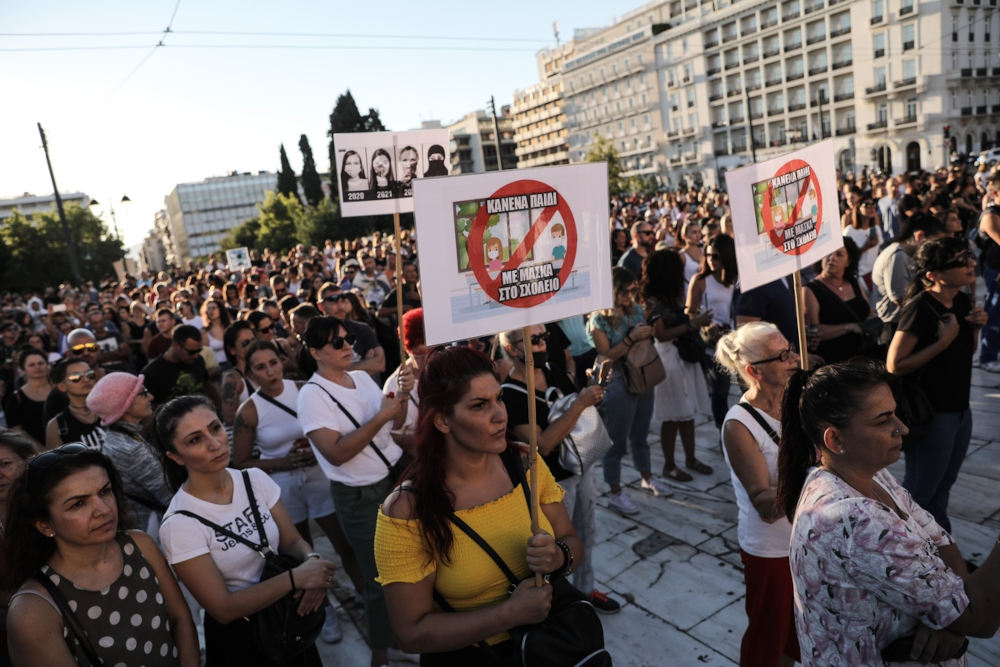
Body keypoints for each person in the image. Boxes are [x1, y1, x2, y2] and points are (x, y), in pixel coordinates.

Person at [776, 358, 1000, 665]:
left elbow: (940, 540)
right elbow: (982, 618)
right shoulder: (854, 520)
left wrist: (951, 615)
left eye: (894, 413)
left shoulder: (869, 474)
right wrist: (959, 613)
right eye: (883, 421)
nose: (902, 428)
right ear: (835, 439)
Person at [374, 346, 583, 661]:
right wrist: (508, 614)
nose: (500, 414)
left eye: (498, 398)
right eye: (479, 405)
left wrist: (557, 557)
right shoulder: (406, 510)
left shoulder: (526, 462)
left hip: (549, 648)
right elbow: (411, 634)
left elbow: (572, 542)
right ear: (443, 421)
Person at [156, 396, 336, 667]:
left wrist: (311, 564)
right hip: (241, 641)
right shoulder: (179, 524)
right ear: (175, 456)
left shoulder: (254, 480)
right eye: (195, 440)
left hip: (286, 621)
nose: (214, 444)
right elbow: (223, 608)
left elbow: (292, 540)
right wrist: (295, 578)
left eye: (215, 428)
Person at [5, 444, 199, 666]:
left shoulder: (140, 545)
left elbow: (181, 619)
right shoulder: (33, 611)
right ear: (44, 525)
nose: (103, 510)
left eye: (105, 491)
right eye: (78, 504)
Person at [296, 316, 413, 667]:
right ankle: (381, 654)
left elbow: (394, 420)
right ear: (315, 352)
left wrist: (402, 395)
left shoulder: (362, 378)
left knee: (412, 564)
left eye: (348, 340)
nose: (349, 347)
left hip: (395, 477)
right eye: (338, 343)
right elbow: (336, 452)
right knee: (379, 580)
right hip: (360, 496)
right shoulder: (312, 395)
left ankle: (405, 633)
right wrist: (381, 417)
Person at [231, 341, 364, 643]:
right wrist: (282, 461)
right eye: (260, 367)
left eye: (273, 363)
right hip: (283, 490)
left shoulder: (306, 389)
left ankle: (365, 595)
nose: (270, 372)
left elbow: (335, 429)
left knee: (345, 544)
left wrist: (320, 448)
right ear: (250, 373)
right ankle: (324, 610)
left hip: (320, 479)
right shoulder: (249, 410)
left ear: (282, 362)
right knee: (302, 553)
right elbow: (240, 462)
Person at [497, 326, 619, 613]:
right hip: (551, 482)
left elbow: (579, 412)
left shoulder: (554, 371)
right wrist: (580, 402)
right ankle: (560, 600)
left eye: (544, 338)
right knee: (555, 545)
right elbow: (543, 444)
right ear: (513, 348)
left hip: (582, 466)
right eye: (534, 340)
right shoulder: (510, 393)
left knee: (586, 533)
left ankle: (587, 589)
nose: (543, 345)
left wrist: (591, 389)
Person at [715, 323, 800, 667]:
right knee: (767, 638)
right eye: (783, 356)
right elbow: (765, 504)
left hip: (804, 539)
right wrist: (816, 473)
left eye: (791, 349)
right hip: (771, 550)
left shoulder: (796, 400)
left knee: (797, 632)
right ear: (753, 371)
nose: (794, 359)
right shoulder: (739, 424)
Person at [887, 237, 987, 531]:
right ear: (933, 275)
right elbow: (894, 364)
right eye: (959, 261)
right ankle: (906, 547)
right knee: (920, 490)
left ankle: (940, 547)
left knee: (943, 485)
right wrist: (943, 342)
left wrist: (975, 330)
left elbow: (964, 353)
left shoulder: (962, 299)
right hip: (931, 413)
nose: (969, 263)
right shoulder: (919, 308)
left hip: (960, 410)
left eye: (967, 256)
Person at [587, 266, 670, 515]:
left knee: (641, 434)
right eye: (627, 290)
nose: (631, 294)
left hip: (642, 374)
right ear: (613, 290)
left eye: (634, 289)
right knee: (616, 441)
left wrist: (649, 330)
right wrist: (631, 338)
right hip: (618, 379)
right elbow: (606, 356)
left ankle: (647, 477)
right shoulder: (597, 321)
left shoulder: (634, 309)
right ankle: (615, 493)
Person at [641, 250, 713, 481]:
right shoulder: (652, 300)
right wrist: (694, 324)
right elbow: (661, 335)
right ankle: (669, 465)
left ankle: (691, 458)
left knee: (687, 412)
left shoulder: (672, 295)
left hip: (683, 356)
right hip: (668, 360)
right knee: (672, 416)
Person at [86, 371, 173, 533]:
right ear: (125, 405)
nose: (151, 397)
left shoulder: (122, 437)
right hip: (152, 531)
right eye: (143, 393)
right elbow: (170, 496)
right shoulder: (129, 449)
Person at [687, 234, 738, 429]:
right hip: (714, 341)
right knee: (721, 388)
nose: (710, 259)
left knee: (745, 385)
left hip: (737, 337)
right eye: (707, 255)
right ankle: (722, 428)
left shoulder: (737, 278)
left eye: (716, 256)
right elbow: (690, 313)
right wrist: (705, 325)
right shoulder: (700, 280)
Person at [871, 213, 946, 341]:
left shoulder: (907, 254)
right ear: (920, 235)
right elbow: (899, 298)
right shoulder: (897, 256)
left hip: (904, 319)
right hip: (894, 324)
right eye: (932, 245)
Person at [803, 239, 876, 364]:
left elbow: (869, 311)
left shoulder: (853, 282)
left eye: (839, 254)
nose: (832, 258)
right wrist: (848, 327)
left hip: (864, 355)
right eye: (828, 253)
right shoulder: (810, 290)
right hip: (834, 362)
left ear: (849, 262)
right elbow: (813, 333)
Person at [142, 325, 221, 410]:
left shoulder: (198, 360)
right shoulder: (152, 373)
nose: (196, 355)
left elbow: (207, 386)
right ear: (176, 345)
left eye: (199, 351)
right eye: (192, 352)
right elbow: (149, 409)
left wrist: (219, 408)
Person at [44, 359, 105, 451]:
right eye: (76, 377)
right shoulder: (57, 426)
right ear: (62, 386)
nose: (86, 380)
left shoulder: (112, 410)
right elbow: (56, 464)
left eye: (90, 374)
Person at [3, 347, 51, 447]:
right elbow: (16, 430)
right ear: (23, 370)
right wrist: (41, 450)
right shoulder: (16, 398)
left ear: (47, 365)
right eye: (31, 365)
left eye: (40, 363)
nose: (37, 367)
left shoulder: (61, 390)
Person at [220, 320, 257, 426]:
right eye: (245, 343)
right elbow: (229, 419)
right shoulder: (233, 378)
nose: (252, 346)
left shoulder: (265, 368)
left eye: (254, 340)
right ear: (232, 350)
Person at [201, 298, 232, 371]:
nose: (211, 311)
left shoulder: (229, 327)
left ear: (220, 310)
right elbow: (205, 353)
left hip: (232, 364)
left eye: (214, 308)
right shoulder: (205, 331)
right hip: (217, 368)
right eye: (208, 309)